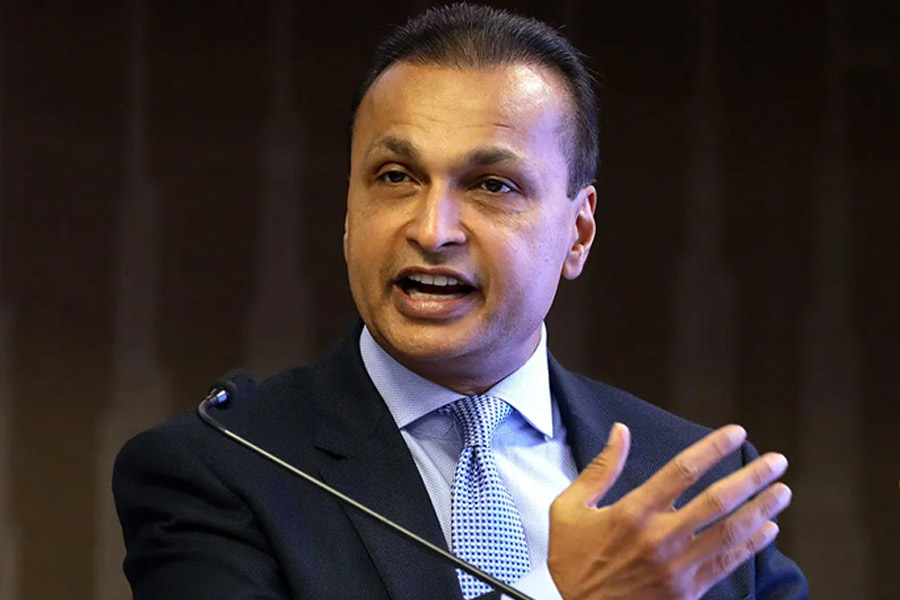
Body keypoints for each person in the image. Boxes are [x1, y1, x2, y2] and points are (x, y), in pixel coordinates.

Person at [113, 4, 807, 599]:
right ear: (349, 211)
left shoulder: (696, 490)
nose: (431, 229)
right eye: (395, 176)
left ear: (578, 234)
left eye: (492, 185)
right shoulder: (221, 467)